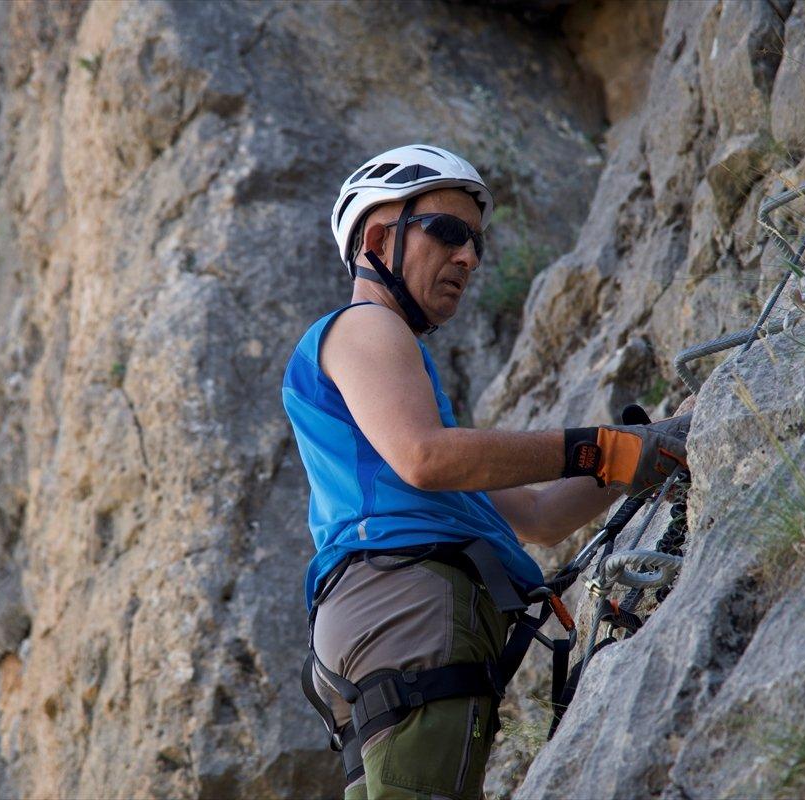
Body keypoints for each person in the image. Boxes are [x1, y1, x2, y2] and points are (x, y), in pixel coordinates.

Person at [282, 145, 691, 800]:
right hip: (406, 608)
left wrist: (647, 453)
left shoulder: (396, 399)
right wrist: (606, 449)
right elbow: (426, 457)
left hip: (374, 630)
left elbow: (536, 516)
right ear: (380, 236)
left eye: (476, 243)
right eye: (448, 233)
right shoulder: (366, 328)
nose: (469, 258)